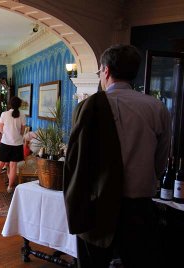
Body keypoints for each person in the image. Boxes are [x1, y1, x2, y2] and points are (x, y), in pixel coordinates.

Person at [63, 44, 171, 268]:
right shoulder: (157, 107)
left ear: (106, 71)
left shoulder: (89, 106)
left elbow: (76, 161)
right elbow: (160, 162)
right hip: (139, 209)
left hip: (97, 207)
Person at [0, 96, 26, 193]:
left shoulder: (4, 114)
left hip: (5, 143)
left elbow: (0, 130)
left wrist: (7, 133)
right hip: (17, 144)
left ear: (10, 104)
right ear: (19, 105)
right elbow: (22, 131)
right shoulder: (22, 115)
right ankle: (10, 188)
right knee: (13, 166)